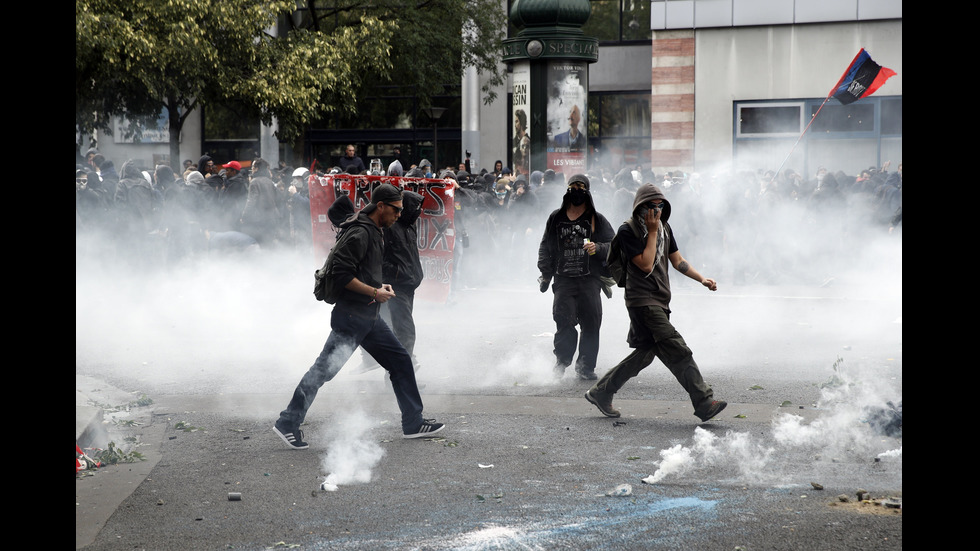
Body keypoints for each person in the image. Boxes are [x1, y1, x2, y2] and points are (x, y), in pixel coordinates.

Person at [273, 184, 444, 449]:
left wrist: (380, 287)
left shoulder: (375, 229)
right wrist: (375, 292)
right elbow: (341, 275)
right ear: (381, 206)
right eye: (396, 210)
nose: (400, 215)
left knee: (400, 362)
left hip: (368, 317)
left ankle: (413, 422)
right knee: (322, 372)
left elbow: (364, 272)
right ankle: (287, 422)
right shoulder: (361, 232)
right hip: (352, 318)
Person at [584, 183, 727, 422]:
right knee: (677, 348)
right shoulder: (628, 230)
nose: (656, 211)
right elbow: (646, 264)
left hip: (659, 300)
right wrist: (651, 232)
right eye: (651, 207)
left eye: (660, 206)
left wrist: (702, 279)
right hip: (643, 302)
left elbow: (677, 260)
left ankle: (601, 392)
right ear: (641, 207)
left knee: (645, 354)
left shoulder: (664, 228)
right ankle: (704, 402)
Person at [537, 174, 615, 380]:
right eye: (573, 186)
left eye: (581, 187)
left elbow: (615, 246)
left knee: (591, 323)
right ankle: (561, 362)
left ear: (587, 192)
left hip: (590, 280)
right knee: (563, 320)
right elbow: (545, 246)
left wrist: (597, 248)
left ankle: (585, 367)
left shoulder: (597, 220)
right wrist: (545, 273)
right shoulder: (556, 217)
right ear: (567, 190)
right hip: (563, 279)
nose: (577, 190)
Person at [240, 158, 282, 247]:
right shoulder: (269, 181)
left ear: (257, 168)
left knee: (260, 244)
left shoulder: (254, 182)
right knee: (269, 244)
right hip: (272, 218)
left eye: (253, 167)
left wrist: (244, 216)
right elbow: (278, 197)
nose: (252, 169)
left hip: (260, 220)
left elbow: (251, 202)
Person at [513, 110, 530, 176]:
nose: (515, 125)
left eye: (517, 121)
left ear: (522, 122)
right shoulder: (515, 141)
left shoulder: (528, 141)